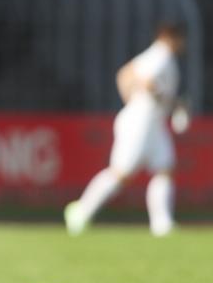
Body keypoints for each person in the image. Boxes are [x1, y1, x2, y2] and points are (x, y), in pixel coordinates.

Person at [65, 23, 187, 237]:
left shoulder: (158, 56)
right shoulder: (161, 55)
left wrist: (168, 103)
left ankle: (162, 224)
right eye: (181, 39)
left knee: (166, 169)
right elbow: (144, 80)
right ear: (170, 38)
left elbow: (125, 74)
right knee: (121, 174)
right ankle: (80, 212)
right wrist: (145, 100)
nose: (183, 44)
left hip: (153, 124)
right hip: (139, 124)